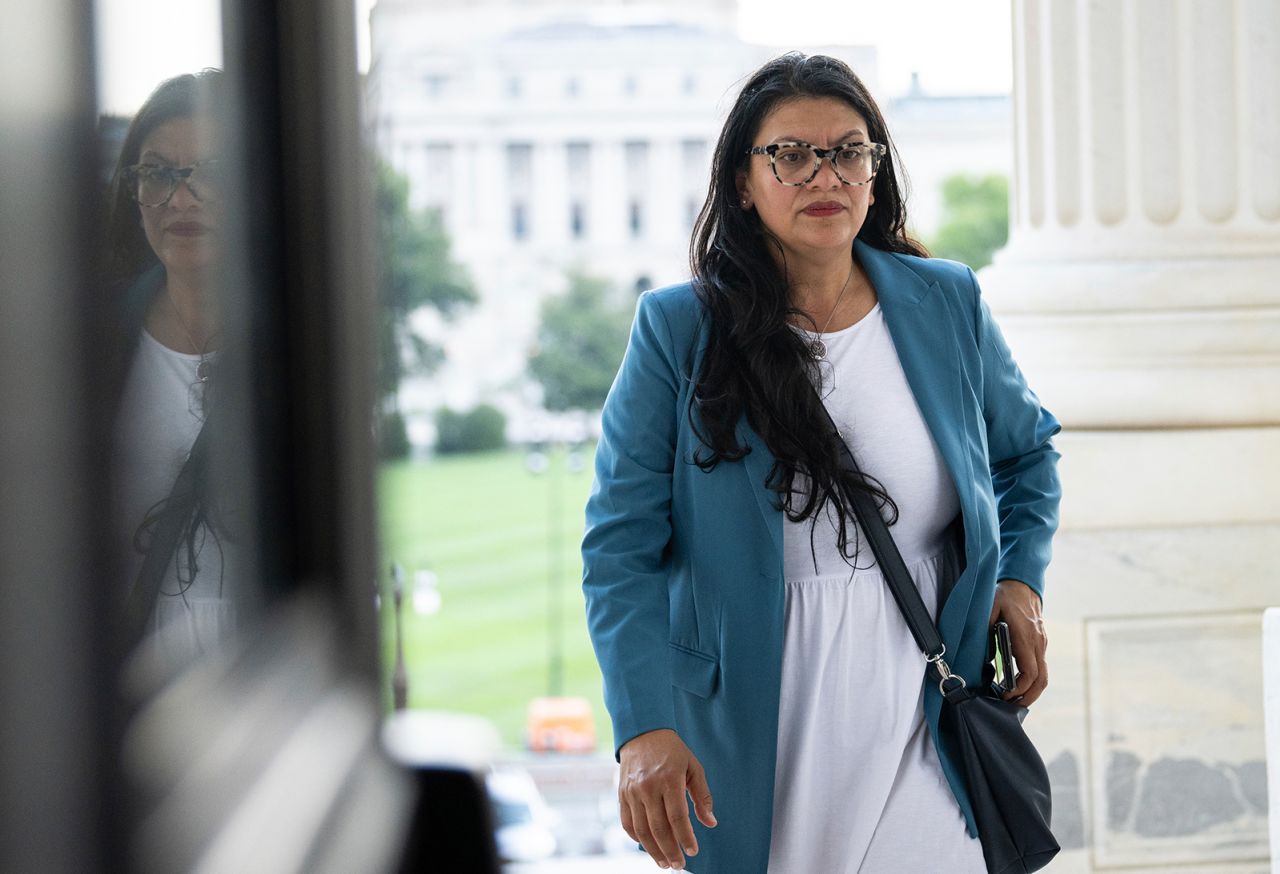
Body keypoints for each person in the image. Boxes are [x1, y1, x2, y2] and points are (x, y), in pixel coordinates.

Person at [582, 53, 1061, 874]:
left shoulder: (946, 301)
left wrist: (1019, 578)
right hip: (756, 718)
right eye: (791, 155)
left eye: (847, 151)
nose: (823, 174)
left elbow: (1026, 455)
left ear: (874, 172)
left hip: (924, 697)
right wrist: (643, 725)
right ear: (743, 181)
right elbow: (619, 546)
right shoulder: (677, 331)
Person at [103, 70, 243, 666]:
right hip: (132, 699)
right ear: (133, 194)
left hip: (263, 692)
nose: (180, 198)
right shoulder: (98, 347)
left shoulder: (298, 355)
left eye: (210, 172)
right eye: (157, 173)